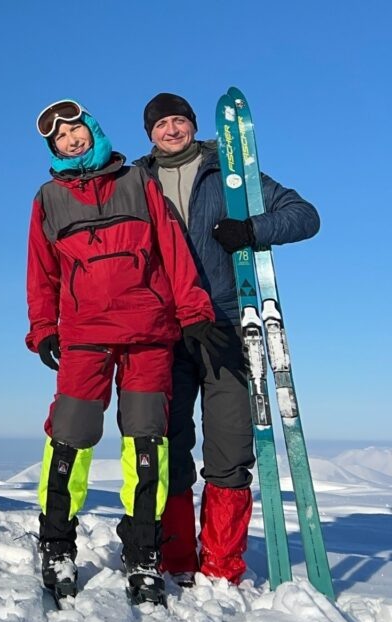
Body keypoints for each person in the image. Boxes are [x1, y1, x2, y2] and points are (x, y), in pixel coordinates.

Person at [26, 99, 221, 605]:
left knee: (145, 439)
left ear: (93, 130)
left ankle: (143, 551)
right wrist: (44, 326)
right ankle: (56, 542)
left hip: (149, 332)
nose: (71, 140)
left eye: (76, 130)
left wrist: (193, 310)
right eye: (60, 138)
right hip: (84, 334)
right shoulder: (48, 198)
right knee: (70, 434)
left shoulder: (138, 181)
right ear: (54, 148)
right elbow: (42, 271)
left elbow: (173, 250)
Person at [135, 93, 320, 585]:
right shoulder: (137, 180)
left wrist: (253, 228)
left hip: (227, 326)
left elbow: (305, 215)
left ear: (193, 125)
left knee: (230, 447)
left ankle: (221, 566)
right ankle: (175, 560)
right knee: (168, 445)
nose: (171, 130)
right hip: (164, 331)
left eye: (179, 121)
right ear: (149, 133)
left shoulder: (229, 171)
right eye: (161, 124)